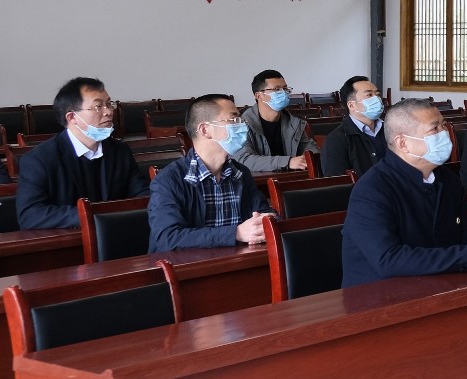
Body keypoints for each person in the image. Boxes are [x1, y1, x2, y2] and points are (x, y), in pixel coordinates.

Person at [342, 99, 467, 288]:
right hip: (380, 295)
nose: (445, 133)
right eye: (434, 129)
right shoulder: (372, 189)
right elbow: (388, 259)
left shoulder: (447, 178)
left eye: (443, 126)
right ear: (403, 143)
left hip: (440, 283)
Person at [17, 76, 149, 229]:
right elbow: (30, 215)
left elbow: (141, 194)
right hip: (71, 238)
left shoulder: (120, 151)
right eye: (98, 106)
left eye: (108, 104)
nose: (108, 112)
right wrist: (93, 216)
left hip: (118, 233)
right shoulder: (39, 160)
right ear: (72, 117)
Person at [148, 94, 272, 251]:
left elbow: (262, 211)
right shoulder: (168, 179)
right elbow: (167, 237)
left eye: (241, 120)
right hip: (191, 264)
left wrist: (267, 219)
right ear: (205, 130)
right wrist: (235, 233)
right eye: (234, 120)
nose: (242, 125)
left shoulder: (240, 173)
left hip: (239, 259)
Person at [235, 69, 316, 173]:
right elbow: (245, 160)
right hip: (260, 180)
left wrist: (307, 158)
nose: (283, 93)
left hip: (291, 178)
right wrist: (288, 162)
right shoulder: (242, 126)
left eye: (285, 89)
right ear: (259, 96)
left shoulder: (293, 122)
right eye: (277, 89)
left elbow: (309, 148)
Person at [319, 75, 389, 176]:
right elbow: (336, 181)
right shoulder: (336, 139)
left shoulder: (390, 129)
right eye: (369, 95)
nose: (377, 99)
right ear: (351, 105)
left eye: (377, 94)